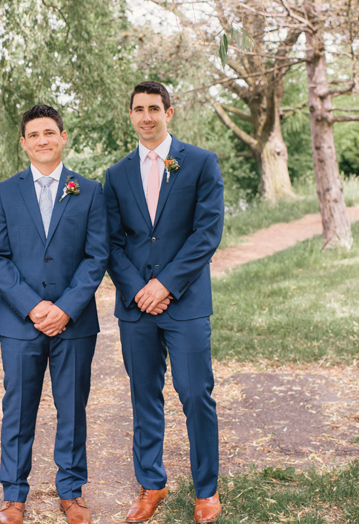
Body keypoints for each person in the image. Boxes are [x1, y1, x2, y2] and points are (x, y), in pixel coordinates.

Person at [104, 81, 225, 523]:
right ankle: (151, 484)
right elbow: (112, 243)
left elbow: (206, 233)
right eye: (139, 109)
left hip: (186, 302)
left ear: (169, 113)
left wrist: (167, 285)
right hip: (136, 307)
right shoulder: (116, 175)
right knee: (144, 395)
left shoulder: (200, 163)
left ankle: (206, 490)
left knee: (196, 394)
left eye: (154, 108)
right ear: (131, 115)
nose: (146, 116)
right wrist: (139, 288)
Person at [0, 105, 109, 524]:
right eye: (34, 134)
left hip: (74, 323)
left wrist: (66, 308)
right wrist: (33, 306)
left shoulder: (88, 191)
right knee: (18, 408)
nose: (42, 140)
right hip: (21, 322)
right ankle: (14, 494)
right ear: (23, 143)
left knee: (72, 408)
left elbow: (97, 257)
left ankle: (71, 491)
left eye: (49, 132)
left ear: (63, 136)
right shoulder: (2, 192)